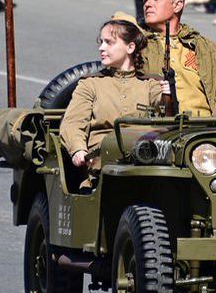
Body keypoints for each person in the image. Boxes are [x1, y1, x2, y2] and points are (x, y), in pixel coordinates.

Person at [59, 15, 169, 182]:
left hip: (144, 160)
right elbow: (73, 123)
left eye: (109, 42)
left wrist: (168, 95)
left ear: (130, 47)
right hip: (102, 166)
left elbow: (167, 117)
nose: (101, 48)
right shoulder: (91, 84)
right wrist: (78, 150)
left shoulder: (150, 85)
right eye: (101, 42)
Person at [141, 0, 216, 116]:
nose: (148, 4)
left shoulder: (204, 47)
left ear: (177, 5)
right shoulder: (137, 45)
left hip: (204, 130)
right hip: (159, 130)